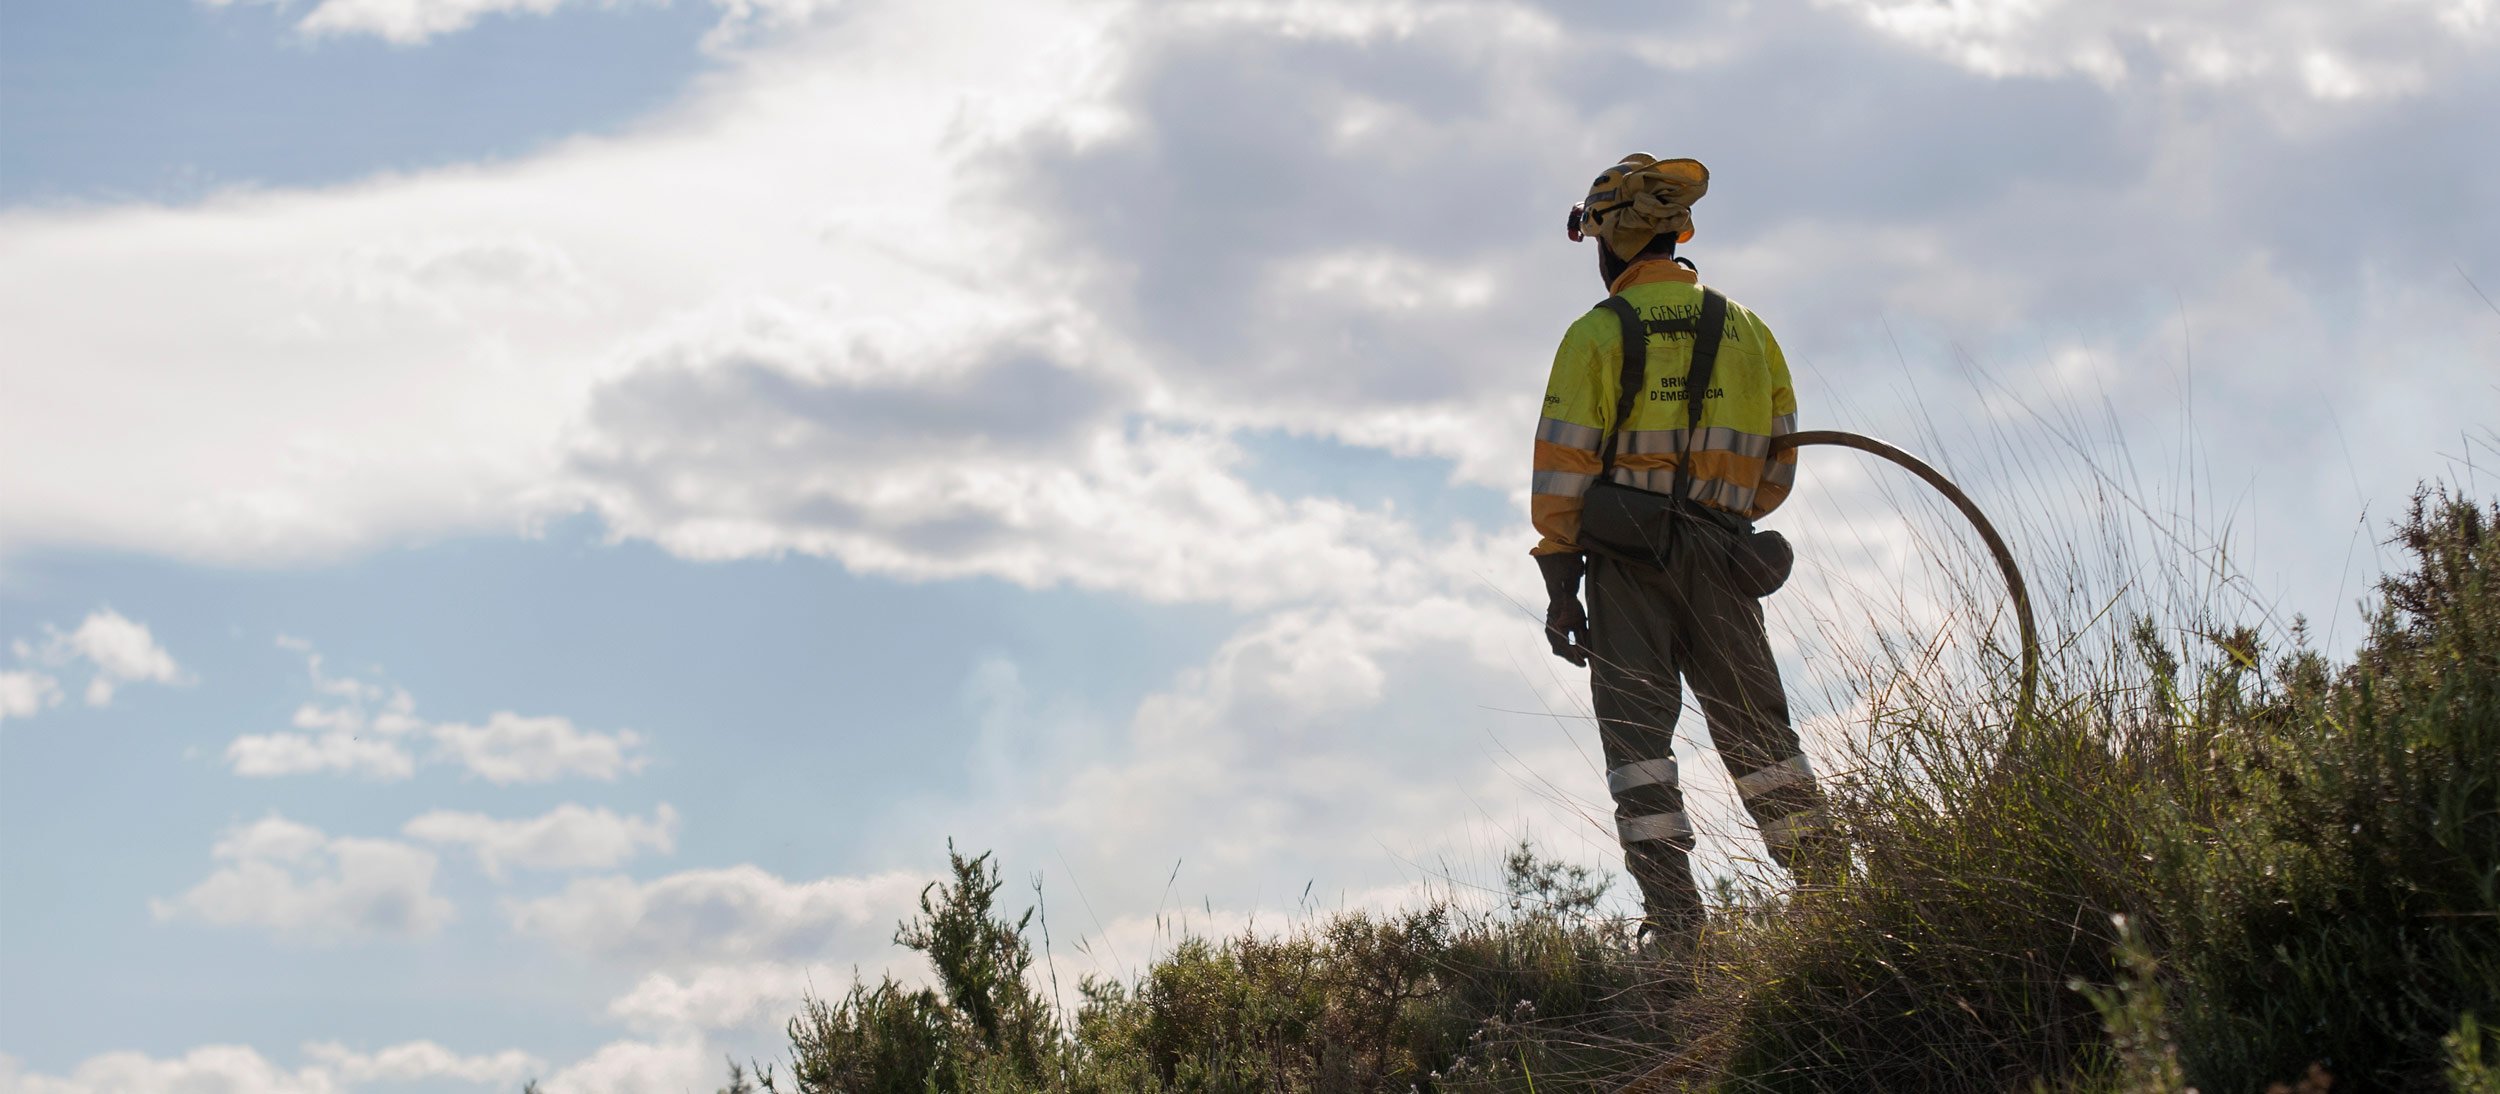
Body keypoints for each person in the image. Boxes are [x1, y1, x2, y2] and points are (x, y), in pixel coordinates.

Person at [1528, 154, 1833, 936]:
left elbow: (1564, 466)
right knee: (1762, 737)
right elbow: (1779, 460)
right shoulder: (1747, 328)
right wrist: (1728, 516)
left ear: (1612, 246)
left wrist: (1562, 583)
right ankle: (1831, 895)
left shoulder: (1595, 335)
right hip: (1727, 556)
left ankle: (1677, 928)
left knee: (1638, 750)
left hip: (1629, 565)